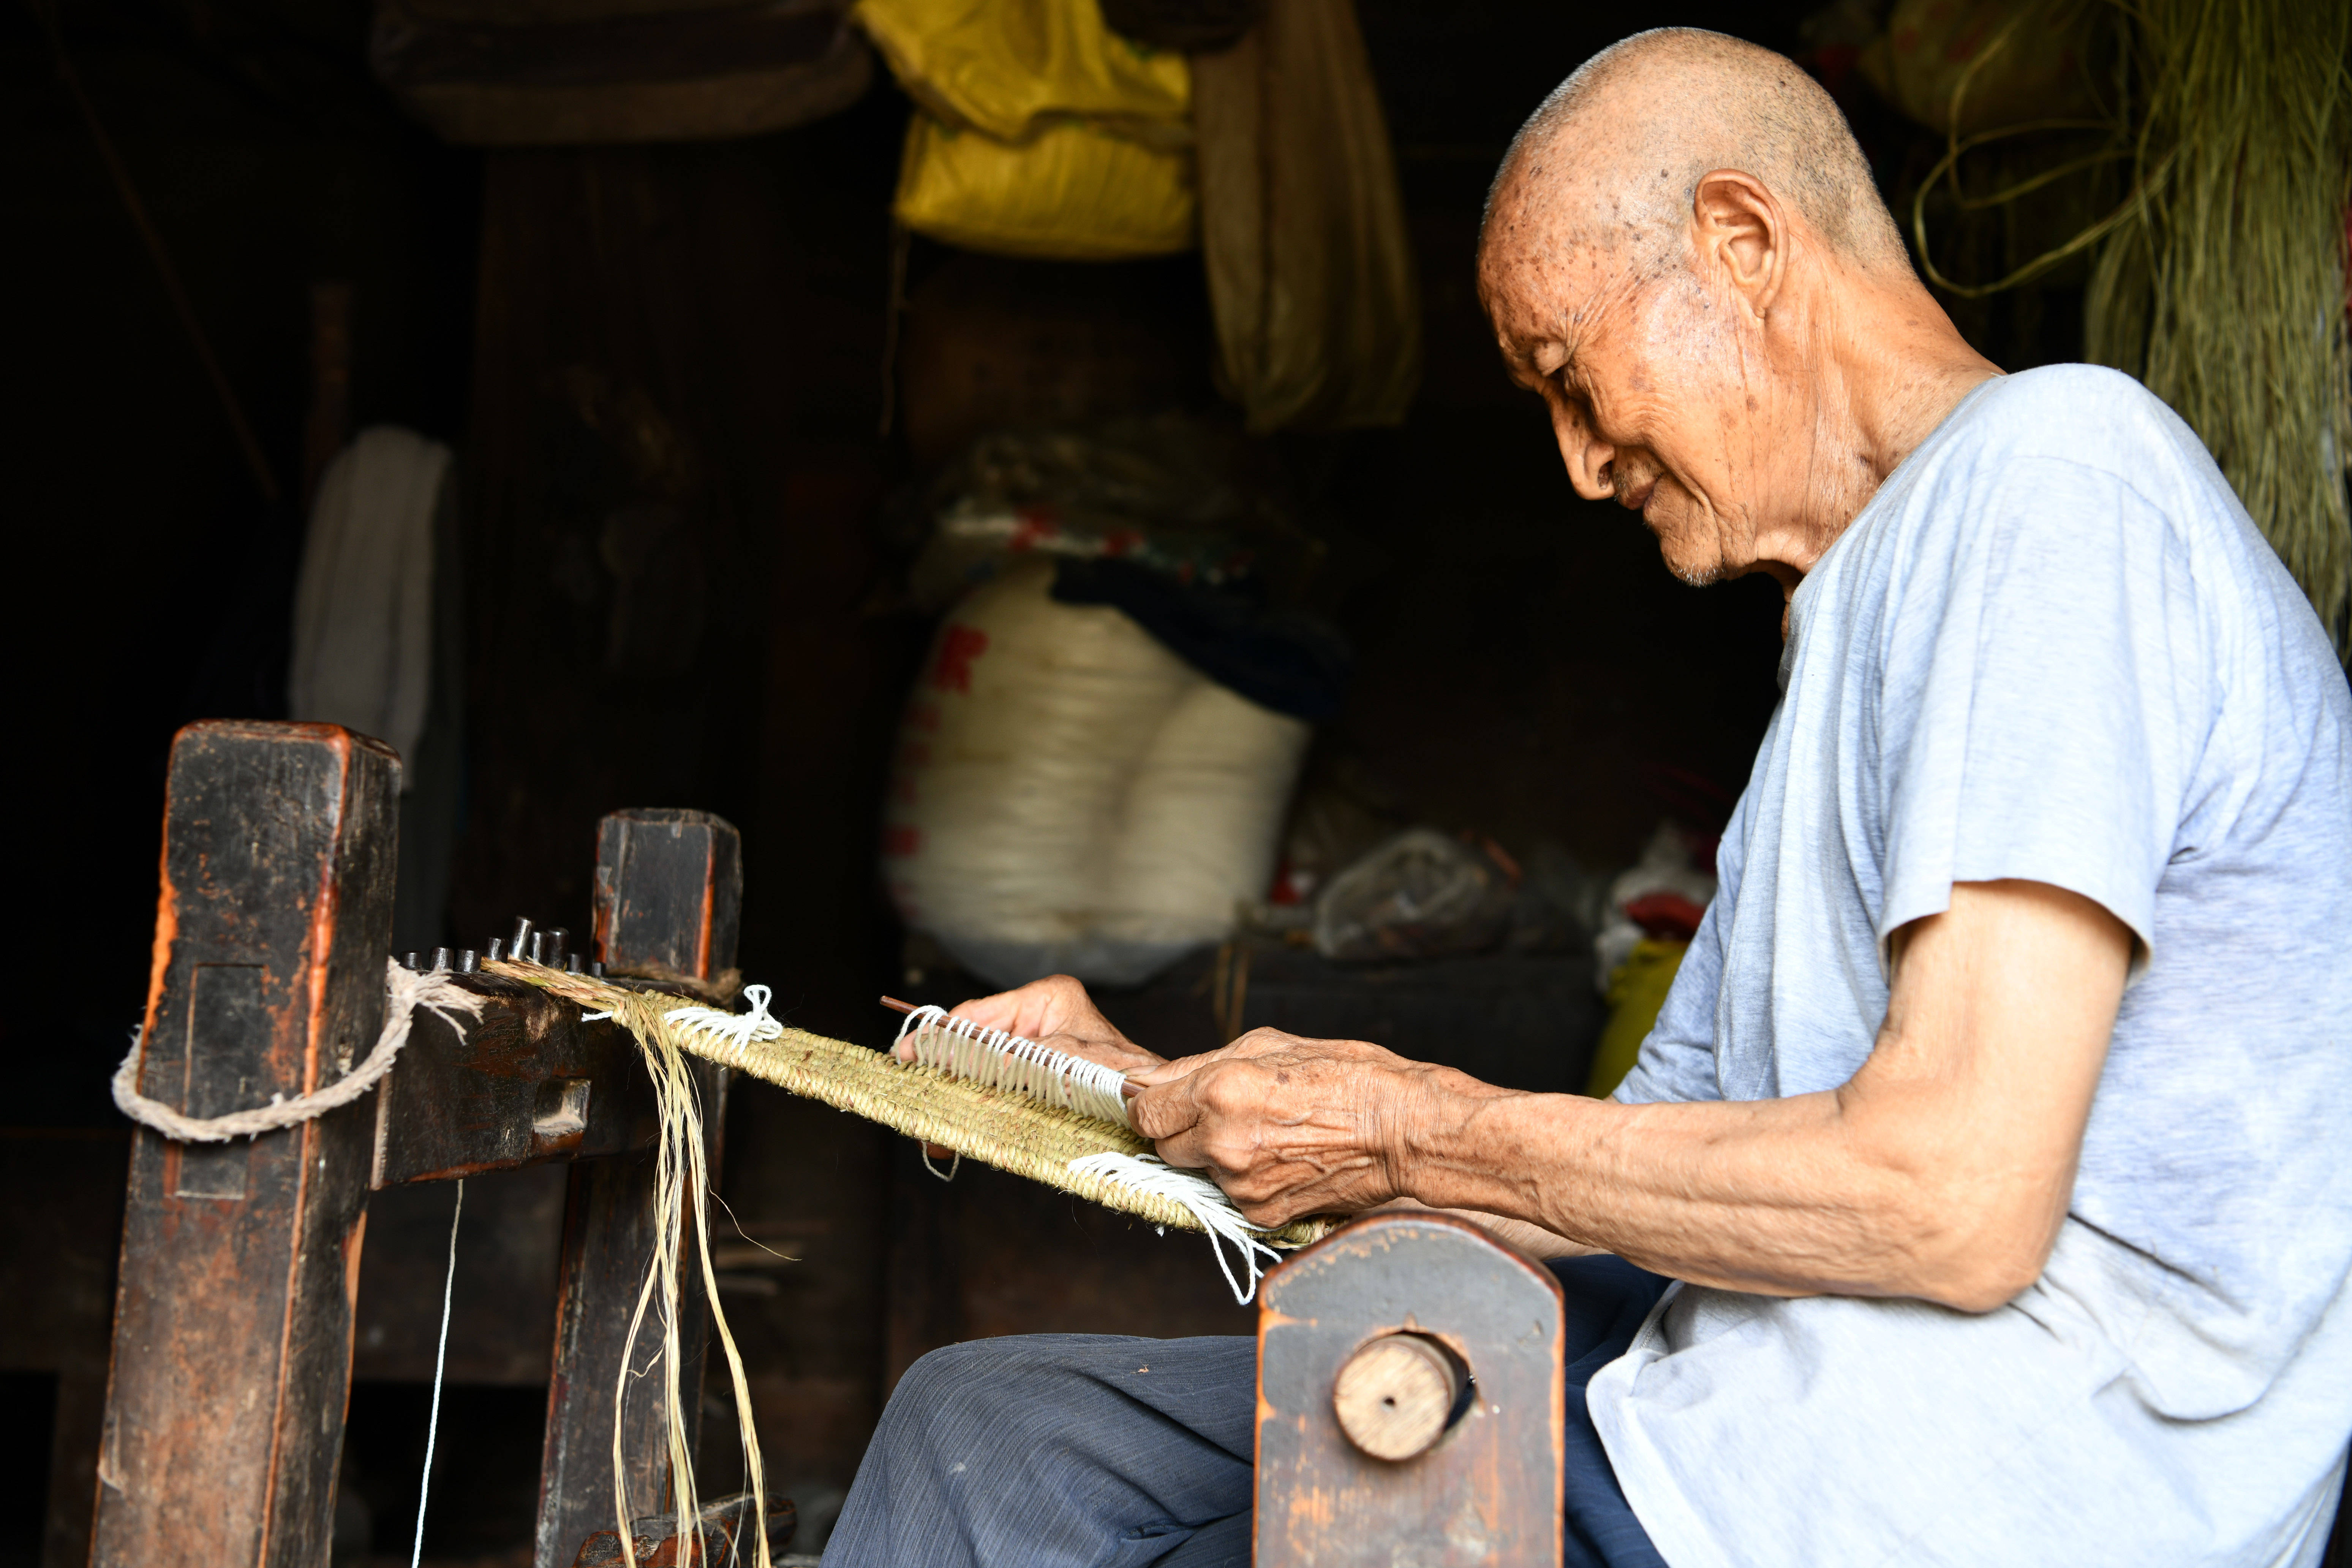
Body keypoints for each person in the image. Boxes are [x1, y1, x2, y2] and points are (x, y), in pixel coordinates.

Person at [822, 26, 2352, 1568]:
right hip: (1719, 1421)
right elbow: (1625, 1187)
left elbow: (1952, 1193)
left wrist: (1413, 1127)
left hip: (1943, 1494)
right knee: (991, 1443)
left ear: (1742, 244)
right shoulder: (1863, 618)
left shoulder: (2056, 480)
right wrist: (1154, 1104)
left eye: (1570, 375)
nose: (1575, 463)